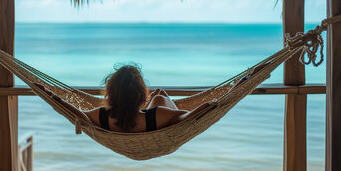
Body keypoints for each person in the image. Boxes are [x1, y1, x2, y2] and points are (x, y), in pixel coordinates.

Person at [35, 64, 210, 133]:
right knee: (160, 93)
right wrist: (212, 105)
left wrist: (52, 97)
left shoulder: (100, 115)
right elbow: (189, 117)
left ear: (111, 93)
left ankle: (155, 96)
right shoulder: (160, 115)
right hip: (149, 120)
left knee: (159, 94)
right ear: (141, 94)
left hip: (129, 117)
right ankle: (154, 96)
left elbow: (78, 114)